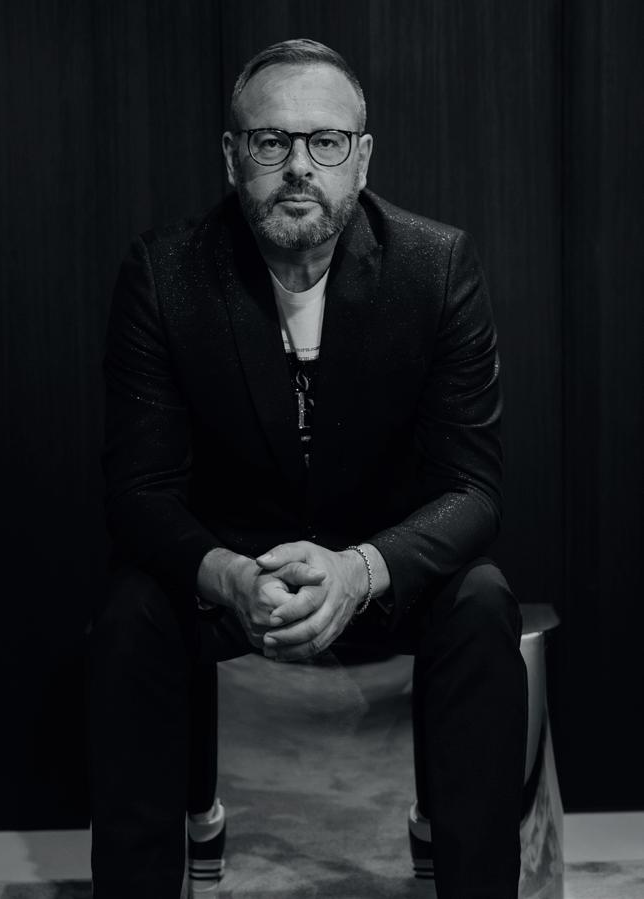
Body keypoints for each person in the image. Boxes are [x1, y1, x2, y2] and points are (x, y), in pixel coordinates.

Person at [88, 38, 528, 899]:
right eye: (271, 141)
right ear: (232, 156)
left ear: (361, 158)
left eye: (325, 141)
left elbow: (474, 489)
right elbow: (137, 492)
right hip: (234, 564)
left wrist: (360, 569)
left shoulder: (436, 267)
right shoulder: (165, 273)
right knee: (132, 609)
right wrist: (228, 574)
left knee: (481, 600)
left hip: (381, 561)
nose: (299, 165)